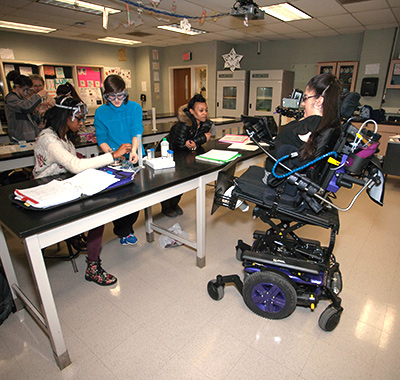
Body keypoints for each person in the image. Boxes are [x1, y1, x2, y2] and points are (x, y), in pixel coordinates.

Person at [33, 95, 132, 286]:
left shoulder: (64, 139)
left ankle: (80, 239)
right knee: (96, 215)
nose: (81, 123)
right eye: (78, 119)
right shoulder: (49, 139)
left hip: (64, 186)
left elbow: (72, 164)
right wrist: (113, 155)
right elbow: (75, 165)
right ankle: (93, 267)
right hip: (48, 193)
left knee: (99, 201)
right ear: (66, 116)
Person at [265, 73, 342, 183]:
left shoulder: (311, 123)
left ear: (319, 101)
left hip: (275, 179)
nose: (302, 104)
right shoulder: (329, 124)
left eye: (306, 98)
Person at [94, 74, 143, 246]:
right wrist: (113, 155)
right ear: (105, 95)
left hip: (133, 155)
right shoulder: (101, 112)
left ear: (125, 92)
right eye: (111, 96)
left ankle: (125, 228)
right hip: (114, 158)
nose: (116, 100)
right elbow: (101, 138)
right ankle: (123, 230)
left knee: (136, 196)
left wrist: (134, 151)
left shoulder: (134, 108)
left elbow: (136, 131)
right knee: (118, 198)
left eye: (120, 95)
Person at [162, 93, 213, 217]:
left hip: (184, 155)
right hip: (169, 153)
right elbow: (180, 145)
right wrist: (200, 140)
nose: (204, 113)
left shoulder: (205, 124)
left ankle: (174, 204)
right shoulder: (184, 124)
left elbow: (193, 145)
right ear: (191, 111)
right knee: (172, 182)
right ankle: (166, 206)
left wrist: (195, 143)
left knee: (182, 182)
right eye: (200, 110)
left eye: (205, 110)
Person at [4, 70, 49, 142]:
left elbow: (31, 118)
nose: (27, 93)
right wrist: (39, 95)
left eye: (28, 90)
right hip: (20, 138)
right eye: (25, 90)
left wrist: (39, 112)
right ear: (17, 87)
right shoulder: (11, 98)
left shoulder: (22, 98)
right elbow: (26, 108)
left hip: (30, 137)